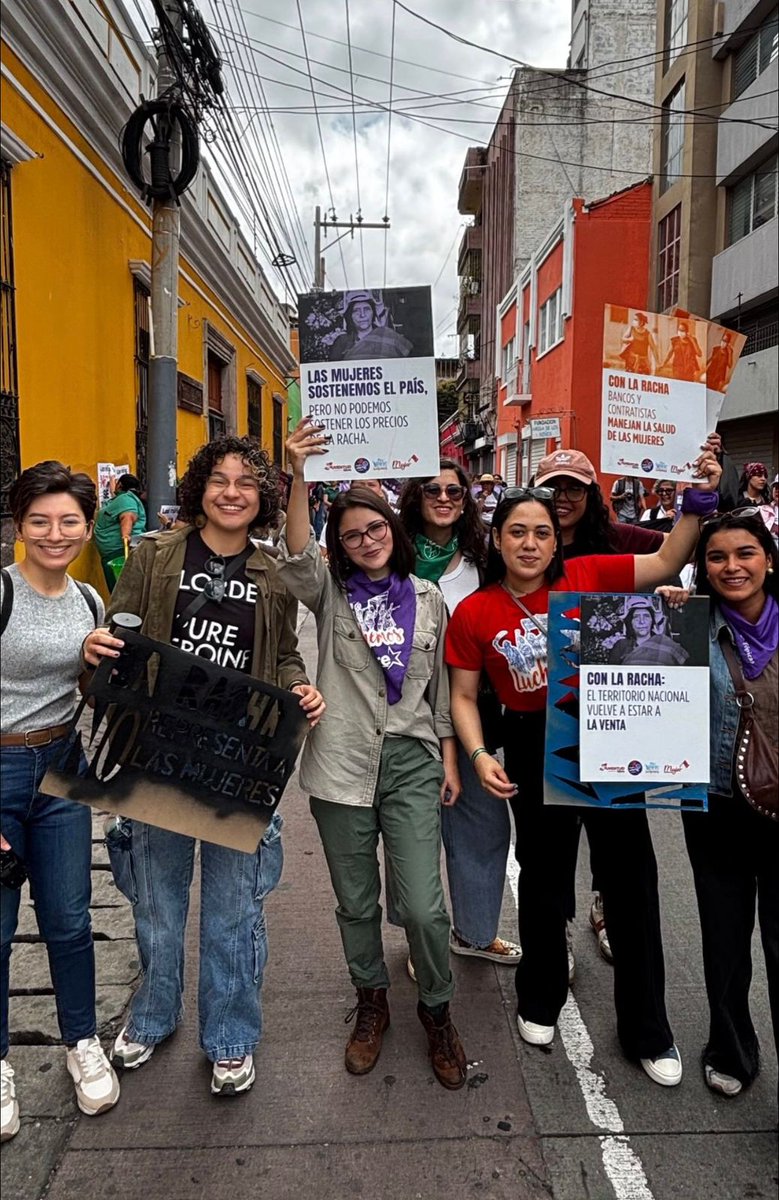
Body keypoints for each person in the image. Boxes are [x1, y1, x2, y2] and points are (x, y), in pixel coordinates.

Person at [445, 449, 721, 1087]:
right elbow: (462, 695)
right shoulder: (476, 610)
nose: (530, 543)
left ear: (556, 540)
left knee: (630, 880)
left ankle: (648, 1028)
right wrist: (480, 754)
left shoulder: (591, 572)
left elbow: (665, 561)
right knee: (544, 878)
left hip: (607, 730)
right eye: (517, 531)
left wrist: (698, 499)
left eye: (542, 532)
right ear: (496, 538)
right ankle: (540, 997)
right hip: (530, 740)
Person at [91, 435, 324, 1098]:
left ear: (261, 498)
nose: (231, 492)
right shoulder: (155, 554)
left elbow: (284, 653)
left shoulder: (272, 571)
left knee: (234, 910)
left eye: (246, 482)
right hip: (159, 749)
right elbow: (119, 633)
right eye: (219, 479)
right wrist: (98, 647)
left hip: (239, 759)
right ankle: (153, 1014)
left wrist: (298, 686)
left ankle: (229, 1036)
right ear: (199, 488)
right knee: (157, 902)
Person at [277, 417, 468, 1091]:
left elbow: (442, 691)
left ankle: (436, 1010)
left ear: (394, 530)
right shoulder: (330, 592)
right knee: (355, 902)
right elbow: (296, 554)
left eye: (376, 528)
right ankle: (371, 1002)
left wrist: (449, 759)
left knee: (423, 907)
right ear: (341, 545)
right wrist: (298, 474)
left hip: (411, 761)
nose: (366, 540)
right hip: (340, 763)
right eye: (353, 534)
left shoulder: (429, 599)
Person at [1, 462, 121, 1141]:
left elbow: (81, 688)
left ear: (86, 524)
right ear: (19, 525)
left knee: (70, 921)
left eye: (69, 520)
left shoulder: (88, 600)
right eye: (40, 521)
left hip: (61, 769)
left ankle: (82, 1042)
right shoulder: (2, 592)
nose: (55, 533)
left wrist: (94, 665)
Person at [657, 511, 778, 1097]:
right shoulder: (687, 625)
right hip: (716, 807)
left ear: (769, 560)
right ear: (702, 568)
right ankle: (731, 1050)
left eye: (745, 553)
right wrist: (661, 613)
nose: (732, 567)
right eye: (717, 557)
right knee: (725, 940)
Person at [534, 448, 666, 963]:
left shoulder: (618, 542)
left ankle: (607, 907)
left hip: (615, 715)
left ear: (591, 495)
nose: (562, 498)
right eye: (552, 488)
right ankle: (559, 930)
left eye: (574, 488)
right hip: (546, 714)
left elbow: (674, 556)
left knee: (619, 840)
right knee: (551, 842)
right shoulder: (522, 544)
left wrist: (670, 593)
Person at [396, 460, 520, 965]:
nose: (444, 498)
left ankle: (473, 932)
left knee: (483, 825)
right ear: (416, 496)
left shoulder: (485, 559)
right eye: (433, 490)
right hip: (404, 711)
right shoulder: (391, 555)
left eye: (454, 490)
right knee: (412, 834)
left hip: (473, 711)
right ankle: (421, 938)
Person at [93, 473, 147, 591]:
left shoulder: (126, 499)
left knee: (120, 592)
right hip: (114, 553)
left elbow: (128, 516)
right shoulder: (122, 498)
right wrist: (113, 484)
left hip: (120, 554)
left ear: (120, 485)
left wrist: (125, 536)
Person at [329, 291, 412, 362]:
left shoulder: (389, 335)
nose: (362, 315)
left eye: (366, 309)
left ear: (373, 313)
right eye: (356, 311)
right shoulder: (342, 342)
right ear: (350, 316)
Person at [607, 597, 688, 666]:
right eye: (636, 617)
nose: (642, 621)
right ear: (630, 622)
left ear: (652, 621)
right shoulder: (621, 646)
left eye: (646, 616)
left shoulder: (666, 643)